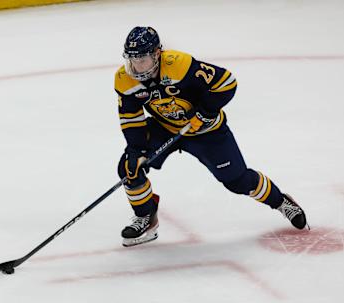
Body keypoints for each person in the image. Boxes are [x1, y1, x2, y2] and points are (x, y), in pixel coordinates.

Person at [114, 26, 308, 247]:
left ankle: (281, 201)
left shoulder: (180, 65)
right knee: (130, 168)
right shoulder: (124, 79)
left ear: (157, 54)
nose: (137, 66)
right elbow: (131, 118)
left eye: (143, 59)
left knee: (238, 181)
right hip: (164, 126)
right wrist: (136, 150)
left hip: (207, 132)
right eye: (133, 59)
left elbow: (226, 83)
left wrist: (204, 113)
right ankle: (146, 216)